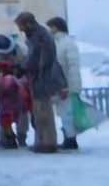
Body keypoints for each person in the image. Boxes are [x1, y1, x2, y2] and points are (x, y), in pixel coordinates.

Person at [15, 11, 66, 154]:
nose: (20, 29)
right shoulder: (37, 35)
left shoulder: (40, 36)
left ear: (28, 23)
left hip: (43, 78)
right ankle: (43, 141)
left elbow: (37, 59)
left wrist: (23, 68)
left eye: (21, 26)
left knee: (43, 111)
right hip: (39, 77)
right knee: (39, 112)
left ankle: (47, 142)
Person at [46, 16, 83, 150]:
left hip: (66, 84)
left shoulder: (67, 43)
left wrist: (72, 86)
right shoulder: (58, 43)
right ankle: (69, 137)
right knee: (64, 112)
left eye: (51, 27)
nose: (49, 30)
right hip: (61, 83)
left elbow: (73, 66)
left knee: (67, 113)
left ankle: (70, 139)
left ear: (56, 27)